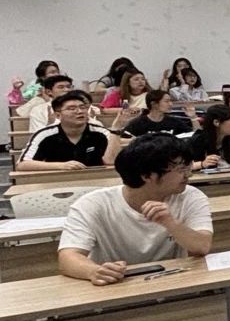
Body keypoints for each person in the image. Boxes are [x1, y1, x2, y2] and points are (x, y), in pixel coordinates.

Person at [57, 135, 213, 285]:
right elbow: (68, 257)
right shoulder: (93, 204)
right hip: (114, 286)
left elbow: (202, 247)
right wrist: (94, 271)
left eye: (188, 168)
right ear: (147, 175)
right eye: (181, 170)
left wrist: (171, 223)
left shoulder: (191, 196)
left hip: (171, 281)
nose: (188, 175)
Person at [17, 90, 113, 170]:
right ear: (58, 115)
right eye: (72, 108)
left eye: (82, 107)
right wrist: (61, 166)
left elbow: (113, 160)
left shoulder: (101, 132)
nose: (79, 111)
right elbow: (22, 164)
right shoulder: (44, 134)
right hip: (57, 181)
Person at [116, 88, 192, 139]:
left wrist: (193, 117)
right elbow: (122, 138)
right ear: (154, 104)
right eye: (167, 101)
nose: (171, 104)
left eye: (171, 101)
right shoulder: (138, 123)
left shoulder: (174, 121)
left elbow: (194, 135)